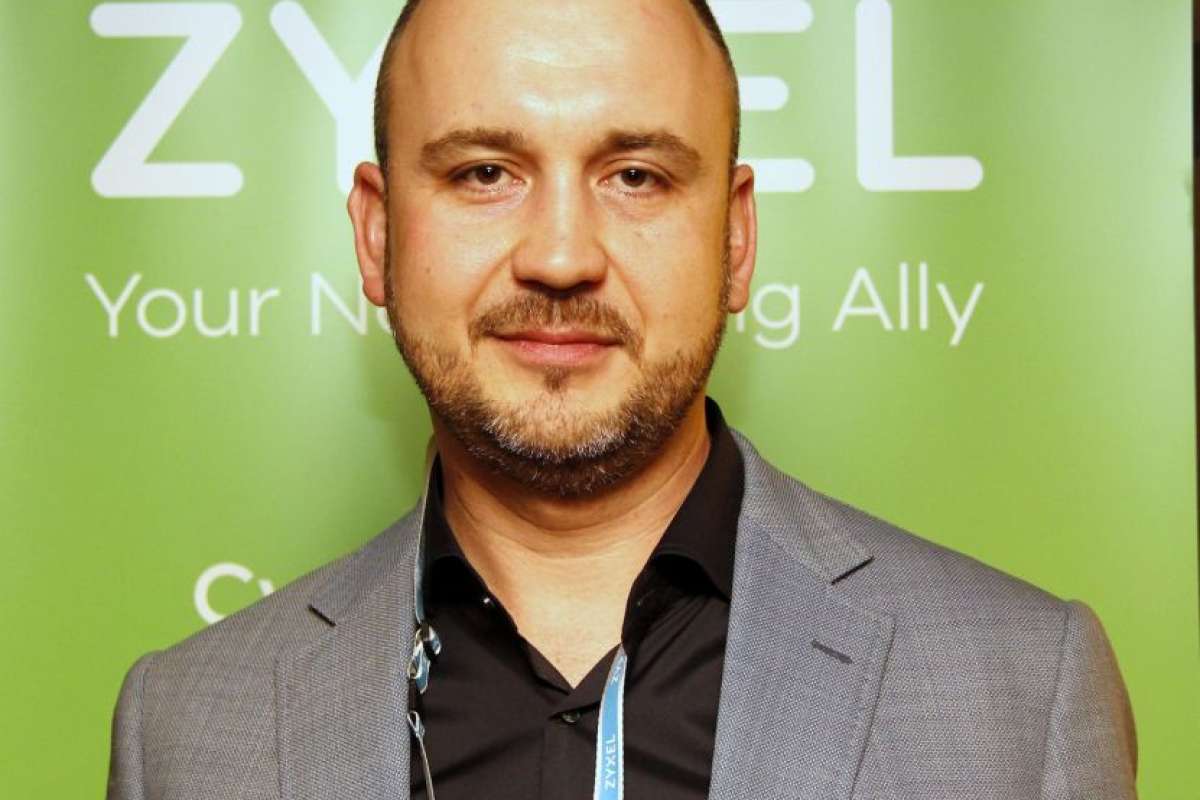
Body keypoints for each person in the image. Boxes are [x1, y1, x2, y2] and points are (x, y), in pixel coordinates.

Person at [106, 1, 1137, 798]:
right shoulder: (187, 729)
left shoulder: (1022, 695)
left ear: (736, 237)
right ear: (377, 235)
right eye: (484, 172)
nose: (561, 256)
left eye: (636, 176)